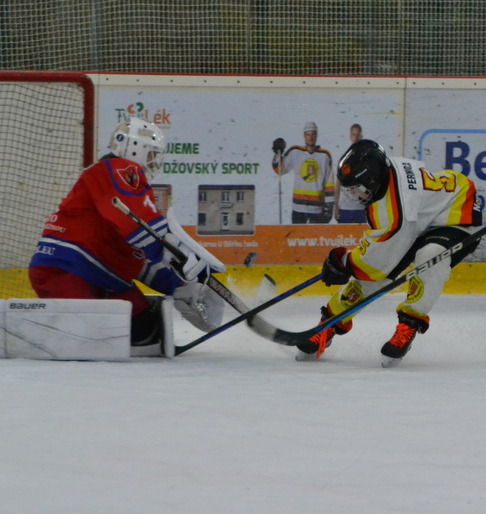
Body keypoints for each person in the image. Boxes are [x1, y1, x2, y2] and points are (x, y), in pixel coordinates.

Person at [28, 118, 224, 355]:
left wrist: (178, 284)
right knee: (85, 339)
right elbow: (140, 226)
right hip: (66, 269)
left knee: (147, 330)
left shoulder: (126, 189)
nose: (153, 161)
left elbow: (138, 255)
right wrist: (177, 254)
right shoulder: (116, 169)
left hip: (104, 277)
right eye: (151, 154)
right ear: (134, 149)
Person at [296, 139, 483, 366]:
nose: (355, 194)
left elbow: (375, 261)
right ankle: (329, 324)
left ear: (372, 179)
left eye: (357, 187)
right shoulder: (384, 176)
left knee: (430, 256)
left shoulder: (396, 209)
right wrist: (347, 263)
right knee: (373, 275)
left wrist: (344, 262)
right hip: (420, 218)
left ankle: (409, 324)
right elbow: (378, 259)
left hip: (458, 212)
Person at [271, 121, 335, 224]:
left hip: (317, 208)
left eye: (313, 134)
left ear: (316, 135)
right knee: (297, 235)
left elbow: (329, 182)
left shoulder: (325, 155)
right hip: (298, 208)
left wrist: (329, 205)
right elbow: (279, 170)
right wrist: (277, 153)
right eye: (308, 134)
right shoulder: (295, 152)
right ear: (304, 136)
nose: (310, 137)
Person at [334, 123, 369, 224]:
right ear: (350, 137)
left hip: (360, 208)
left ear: (361, 137)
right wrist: (336, 206)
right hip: (345, 208)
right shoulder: (344, 158)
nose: (355, 138)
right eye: (353, 134)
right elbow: (338, 183)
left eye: (358, 135)